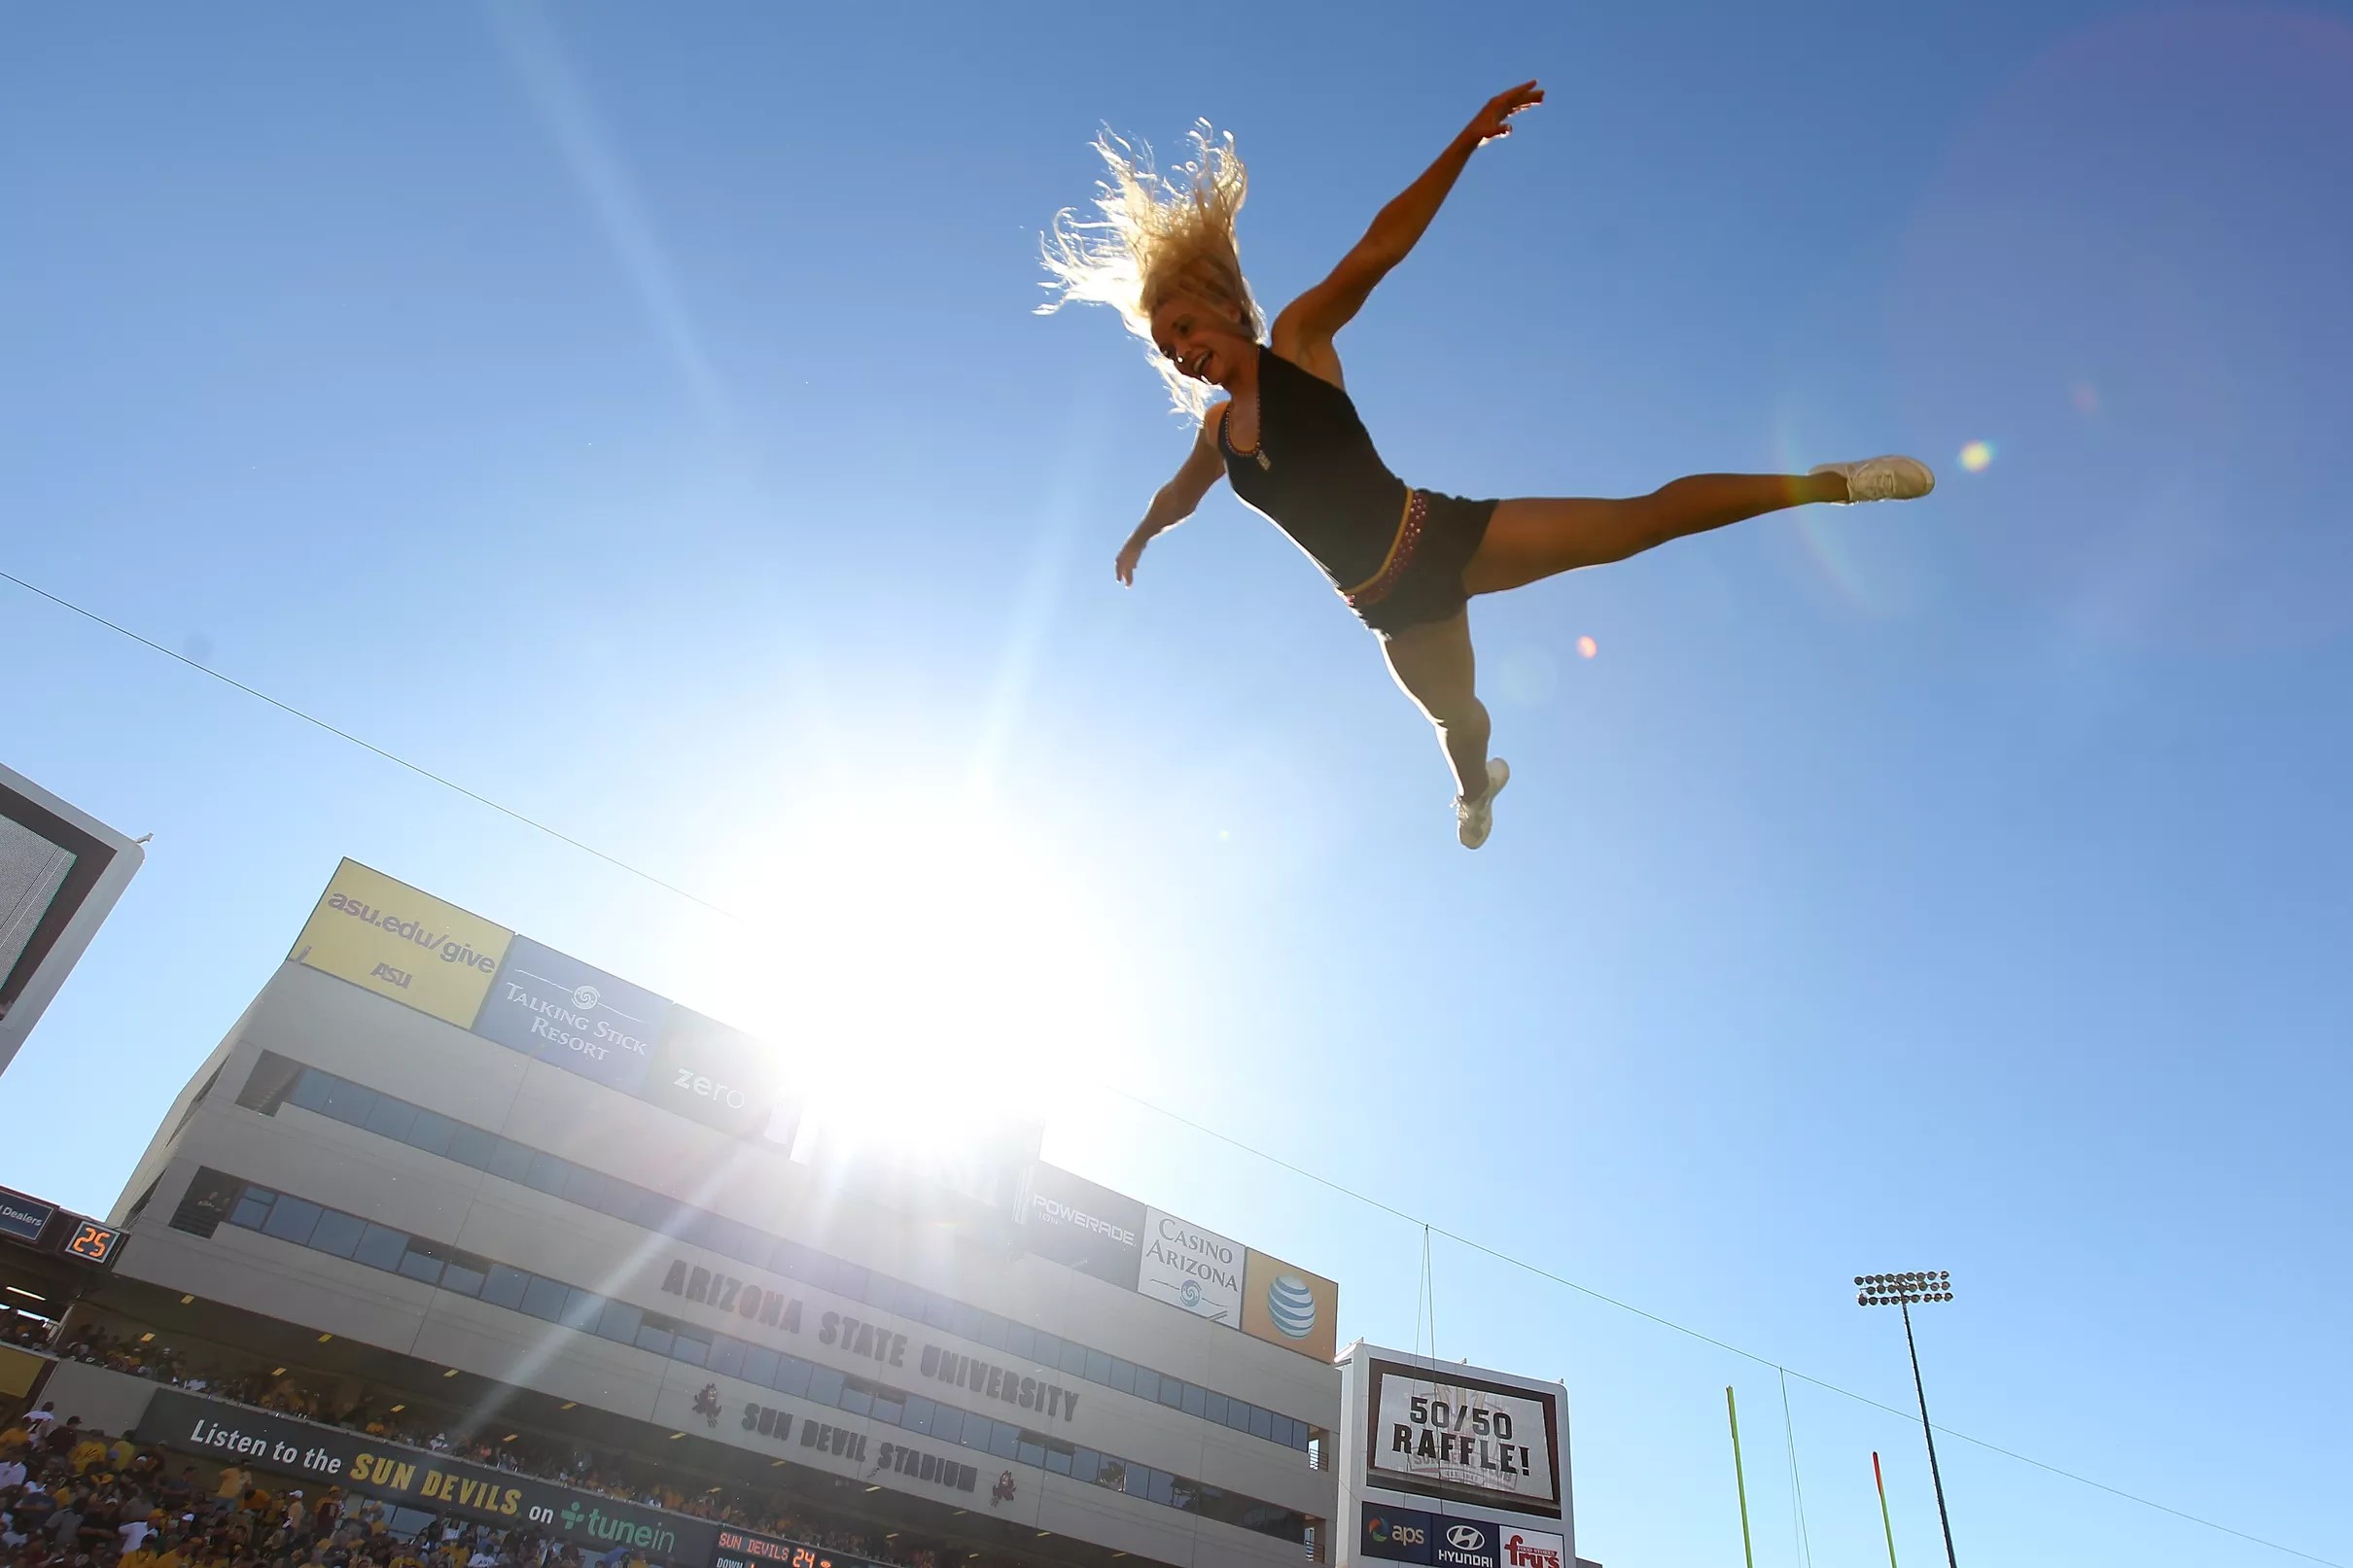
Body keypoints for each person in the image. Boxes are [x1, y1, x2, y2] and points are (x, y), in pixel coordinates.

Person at [1039, 83, 1935, 847]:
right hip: (1388, 607)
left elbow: (1381, 246)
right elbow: (1177, 494)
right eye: (1167, 351)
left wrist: (1464, 142)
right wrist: (1140, 536)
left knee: (1635, 523)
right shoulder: (1214, 435)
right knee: (1459, 722)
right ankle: (1477, 791)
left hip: (1444, 533)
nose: (1182, 354)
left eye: (1185, 330)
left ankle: (1835, 484)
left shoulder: (1301, 339)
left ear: (1225, 307)